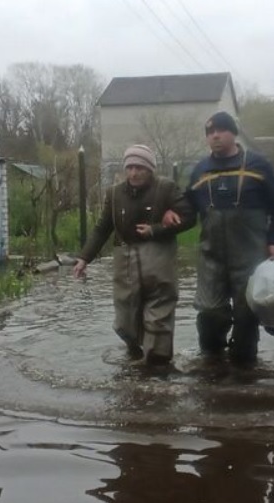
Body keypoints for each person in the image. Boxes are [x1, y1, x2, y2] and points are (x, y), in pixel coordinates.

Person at [164, 111, 274, 367]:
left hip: (250, 255)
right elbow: (188, 205)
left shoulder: (258, 164)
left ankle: (244, 372)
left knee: (247, 315)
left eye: (221, 130)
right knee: (209, 312)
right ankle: (211, 363)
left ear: (234, 133)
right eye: (210, 132)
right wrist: (170, 211)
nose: (215, 136)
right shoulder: (200, 170)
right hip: (212, 256)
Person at [73, 144, 196, 366]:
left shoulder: (166, 188)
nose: (134, 172)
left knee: (159, 311)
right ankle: (135, 350)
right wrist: (84, 258)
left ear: (150, 169)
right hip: (125, 258)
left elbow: (189, 217)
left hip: (159, 258)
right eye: (129, 167)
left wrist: (157, 229)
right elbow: (103, 228)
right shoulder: (114, 193)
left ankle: (156, 365)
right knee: (125, 316)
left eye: (139, 167)